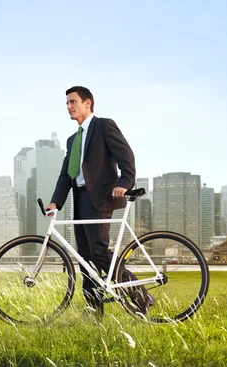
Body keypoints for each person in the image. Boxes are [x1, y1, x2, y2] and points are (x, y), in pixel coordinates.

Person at [45, 86, 154, 320]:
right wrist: (55, 202)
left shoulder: (104, 126)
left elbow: (127, 156)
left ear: (88, 104)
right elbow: (67, 174)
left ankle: (141, 294)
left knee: (98, 251)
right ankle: (94, 308)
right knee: (84, 255)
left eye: (73, 102)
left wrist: (124, 183)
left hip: (101, 198)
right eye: (66, 103)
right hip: (80, 198)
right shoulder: (72, 140)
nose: (68, 107)